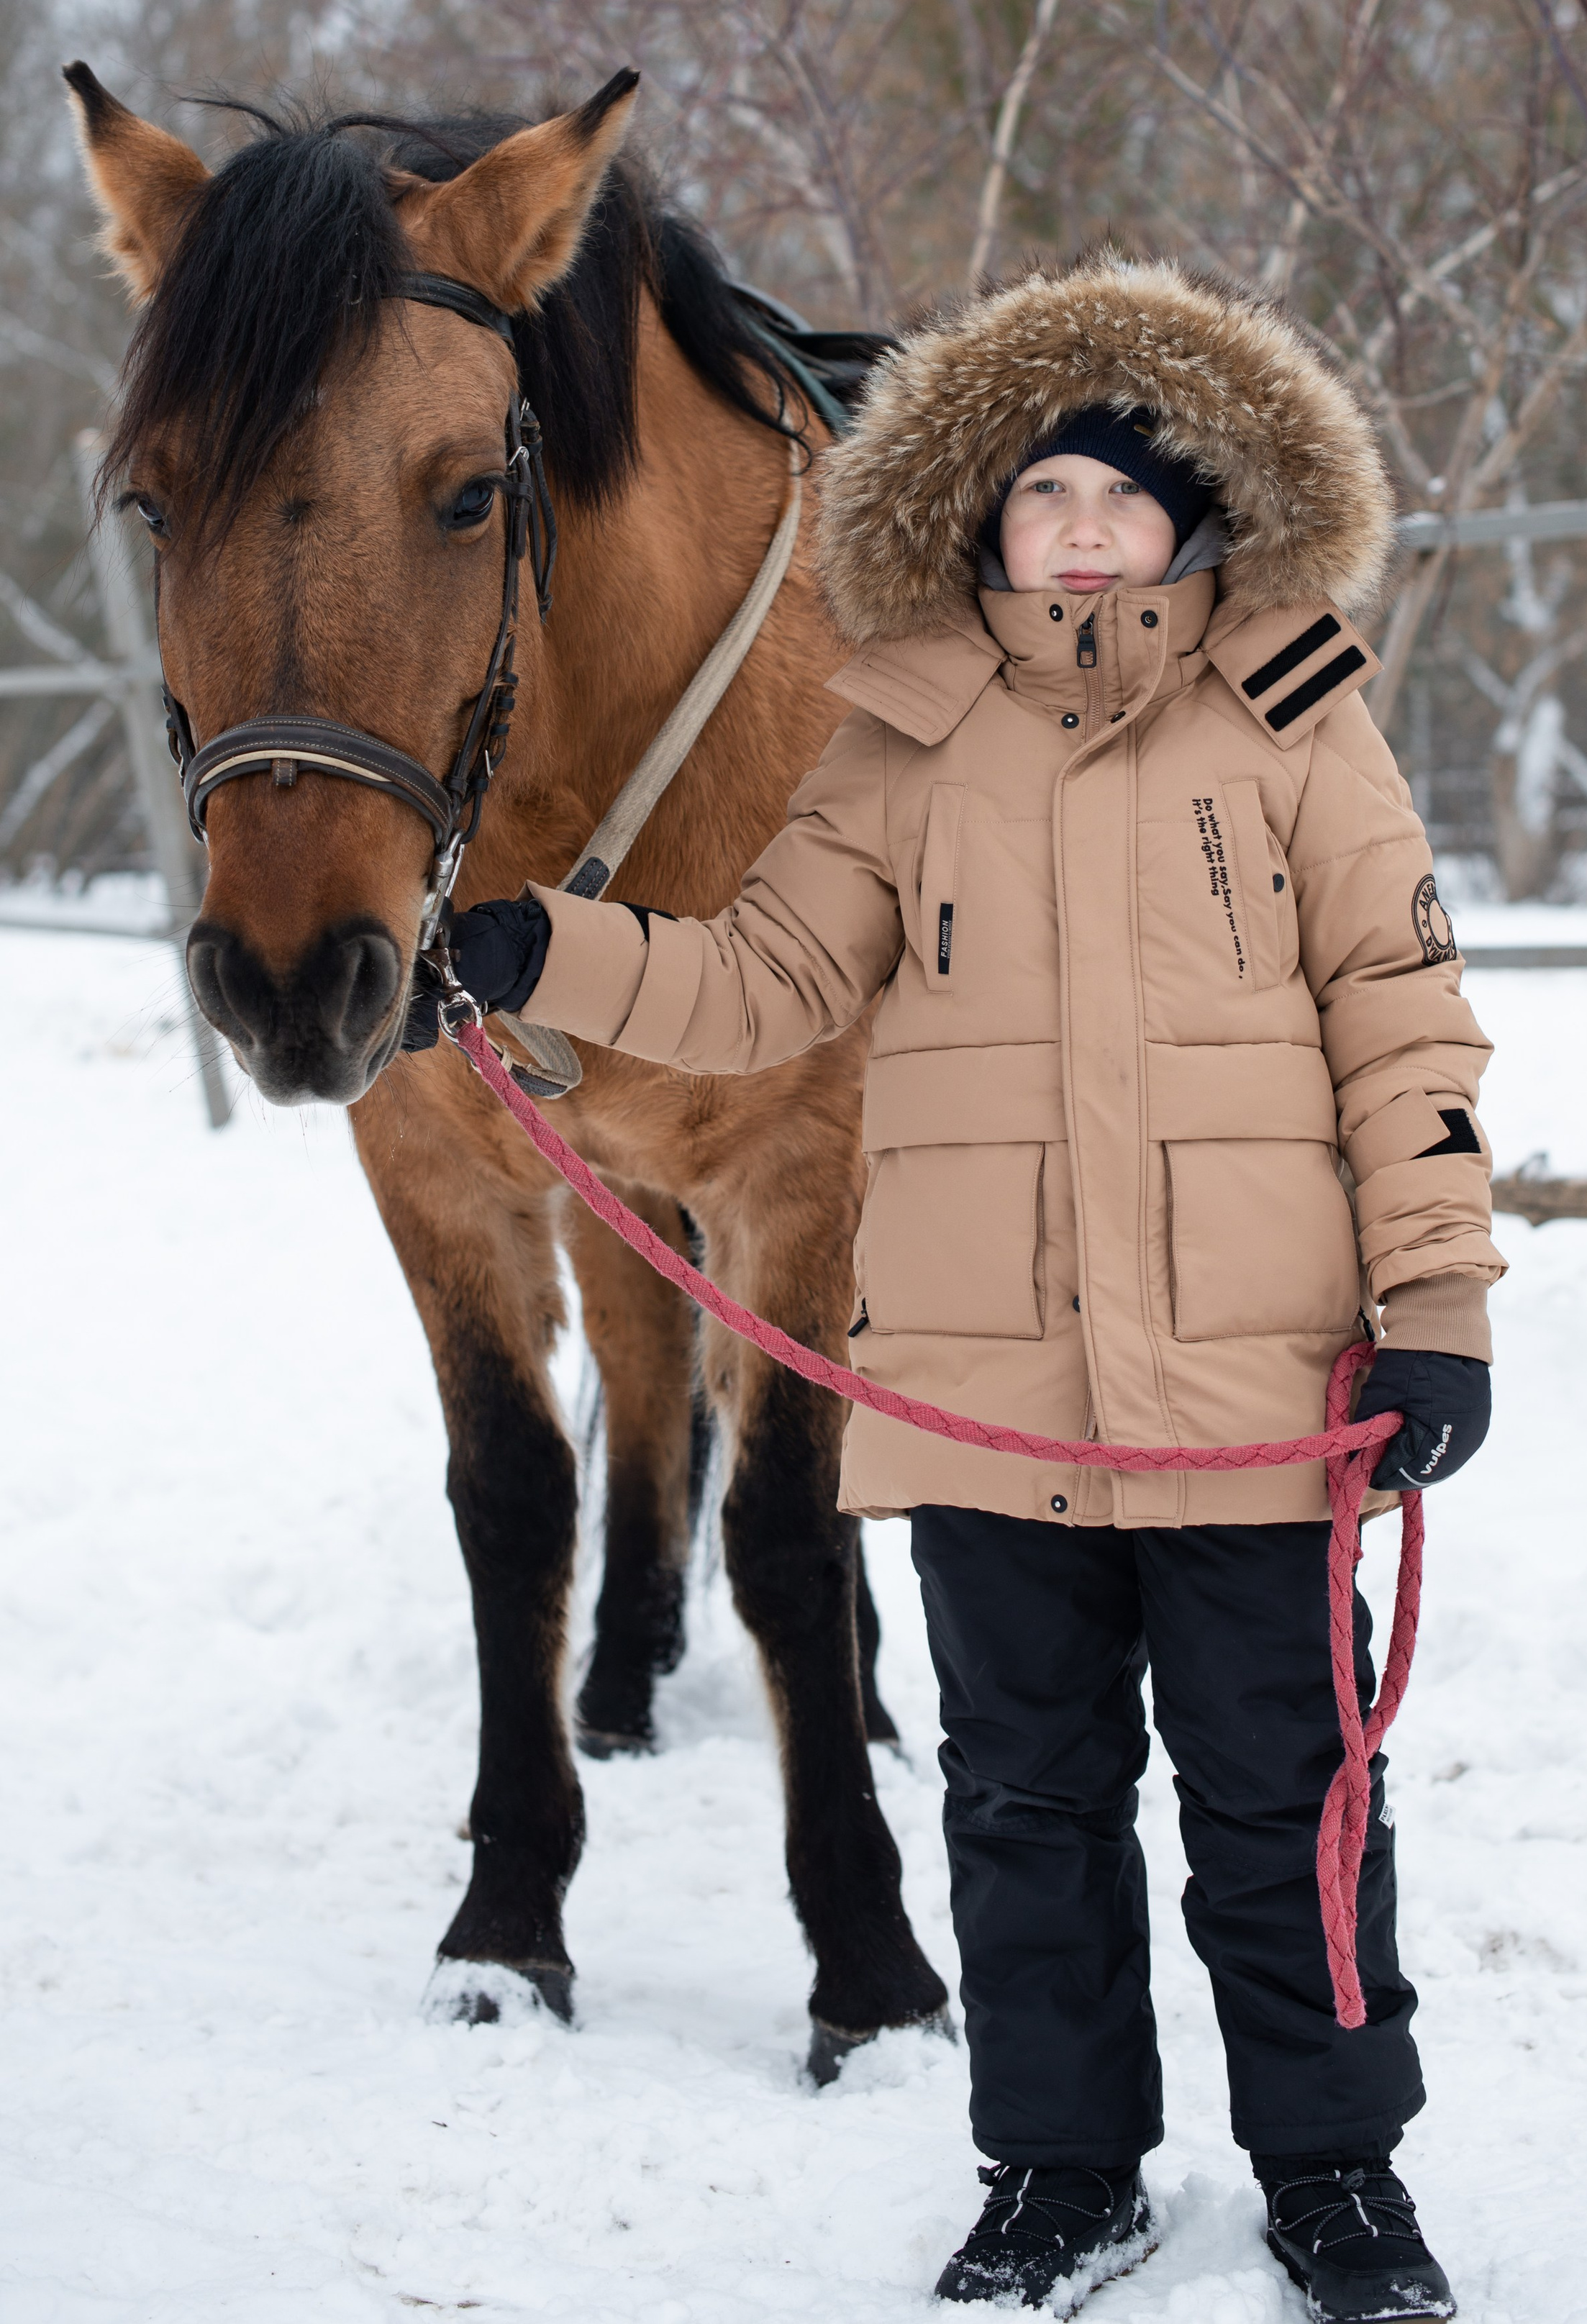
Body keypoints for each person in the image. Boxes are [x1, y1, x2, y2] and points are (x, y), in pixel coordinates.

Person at [413, 254, 1503, 2321]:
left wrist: (1437, 1294)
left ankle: (1339, 2171)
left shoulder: (1297, 715)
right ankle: (1063, 2164)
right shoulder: (899, 736)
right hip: (993, 1395)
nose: (1079, 534)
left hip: (1256, 1388)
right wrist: (551, 950)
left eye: (1120, 496)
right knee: (1023, 1801)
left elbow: (1408, 1015)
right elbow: (765, 976)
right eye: (1039, 500)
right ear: (977, 525)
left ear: (1194, 514)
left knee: (1292, 1799)